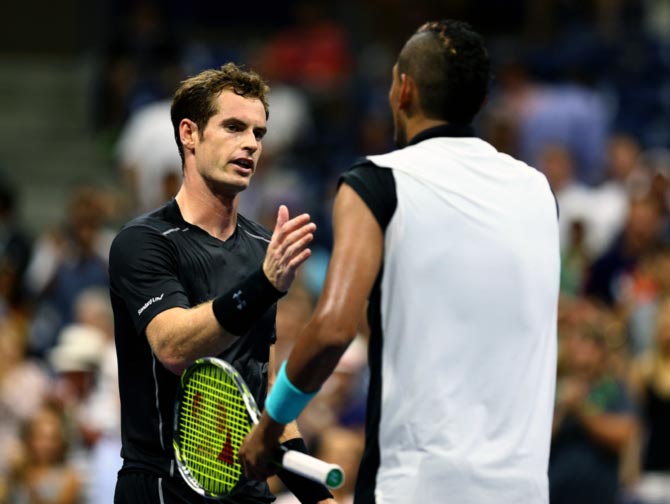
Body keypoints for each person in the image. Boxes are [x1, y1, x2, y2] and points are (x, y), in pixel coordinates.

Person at [240, 20, 561, 503]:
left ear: (404, 90)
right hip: (525, 489)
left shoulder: (375, 182)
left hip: (417, 485)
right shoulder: (538, 190)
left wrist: (272, 423)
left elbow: (331, 329)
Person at [109, 63, 333, 504]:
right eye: (233, 127)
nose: (250, 143)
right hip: (161, 487)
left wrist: (317, 498)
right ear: (189, 134)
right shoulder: (143, 243)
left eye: (258, 133)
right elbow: (173, 347)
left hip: (247, 493)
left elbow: (258, 389)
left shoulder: (263, 247)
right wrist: (264, 287)